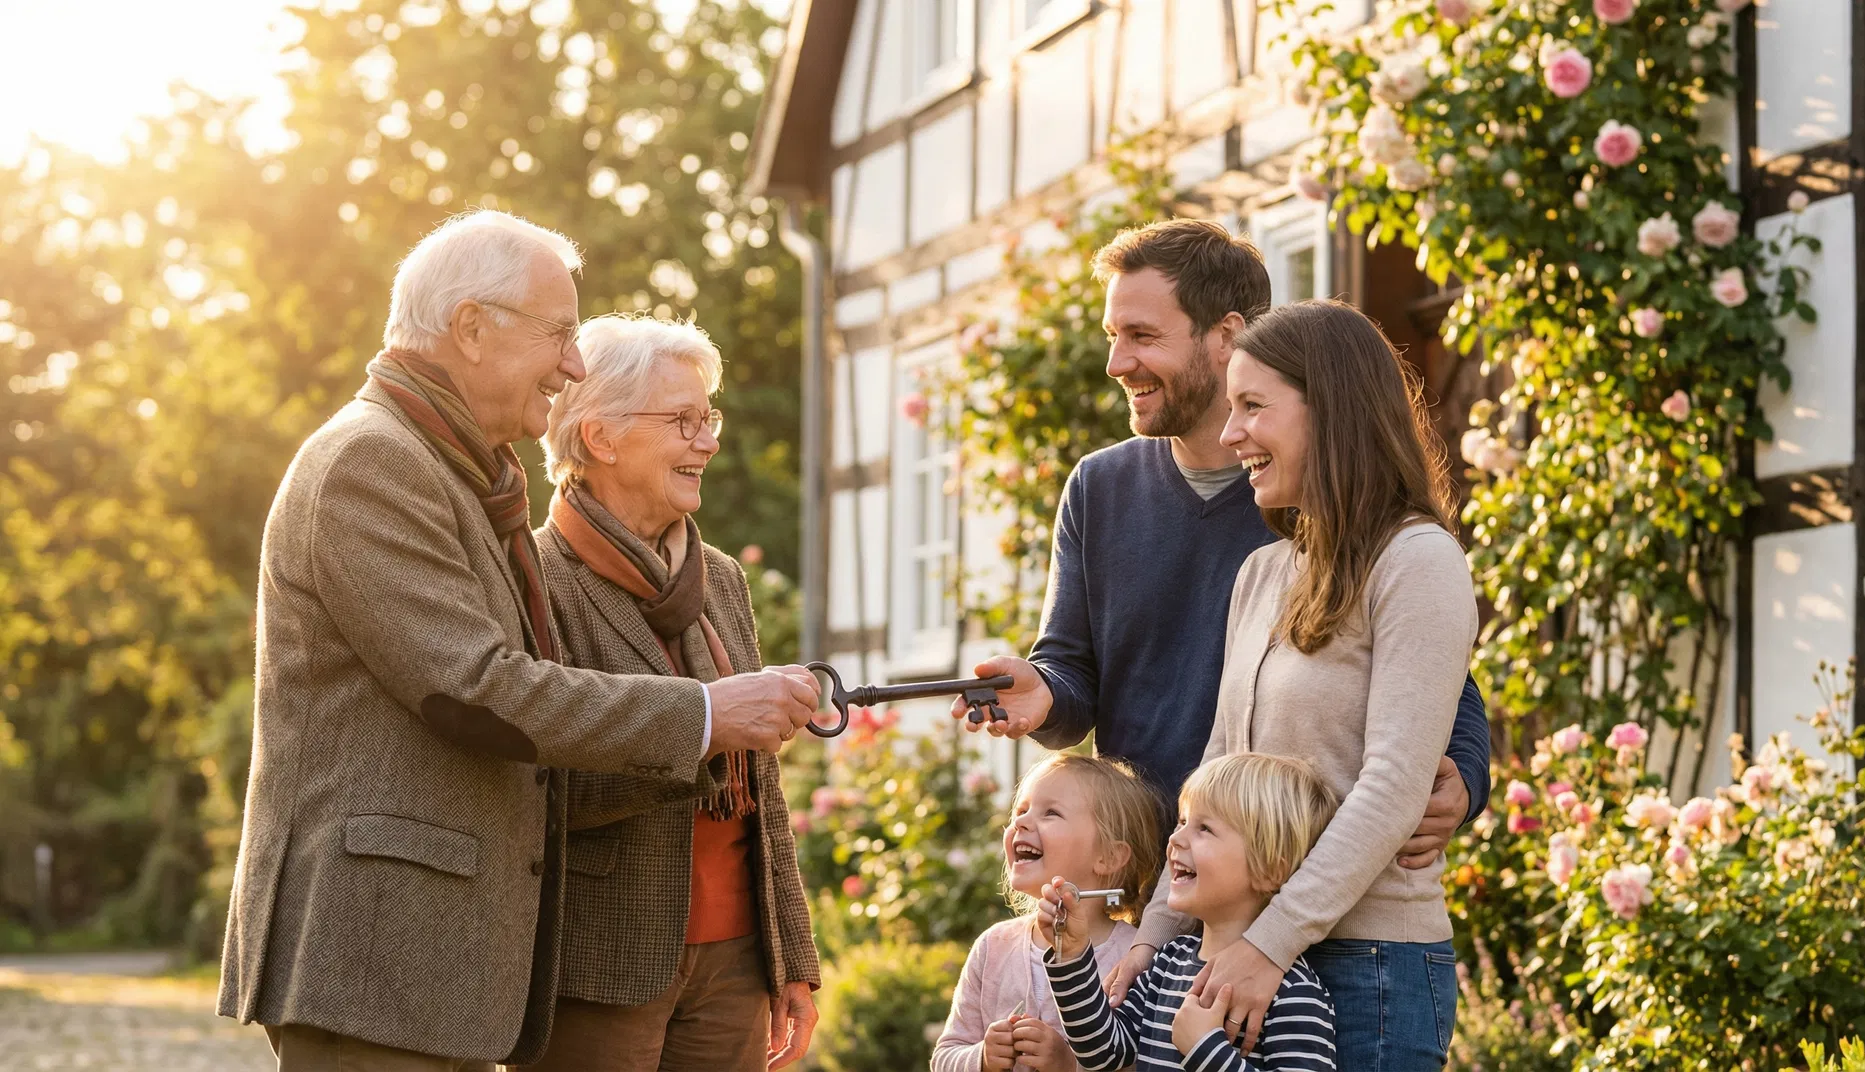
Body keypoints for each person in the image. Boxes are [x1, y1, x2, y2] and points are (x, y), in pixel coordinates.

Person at [217, 210, 819, 1071]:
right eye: (560, 336)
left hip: (436, 962)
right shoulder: (371, 462)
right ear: (472, 328)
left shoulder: (452, 472)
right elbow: (475, 688)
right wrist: (704, 716)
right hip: (382, 954)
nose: (572, 365)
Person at [949, 219, 1490, 987]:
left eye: (1141, 334)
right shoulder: (1104, 490)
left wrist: (1465, 768)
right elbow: (1072, 673)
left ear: (1225, 335)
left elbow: (1424, 675)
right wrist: (1044, 694)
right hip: (1168, 887)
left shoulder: (1306, 498)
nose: (1116, 362)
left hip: (1309, 900)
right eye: (1113, 334)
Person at [1137, 300, 1478, 1068]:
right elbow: (1217, 777)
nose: (1230, 436)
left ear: (1335, 412)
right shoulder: (1261, 574)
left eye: (1254, 406)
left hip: (1369, 965)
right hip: (1248, 951)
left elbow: (1393, 783)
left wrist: (1271, 942)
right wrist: (1155, 934)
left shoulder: (1418, 562)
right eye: (1231, 408)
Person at [515, 315, 819, 1071]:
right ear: (600, 437)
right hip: (597, 961)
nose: (708, 442)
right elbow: (539, 783)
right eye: (683, 421)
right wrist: (707, 727)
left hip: (738, 961)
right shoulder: (531, 579)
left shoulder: (719, 577)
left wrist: (791, 957)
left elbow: (764, 790)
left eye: (707, 418)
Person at [1038, 753, 1340, 1071]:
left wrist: (1205, 1049)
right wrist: (1070, 954)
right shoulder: (1167, 962)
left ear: (1268, 871)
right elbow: (1102, 1053)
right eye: (1182, 822)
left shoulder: (1294, 994)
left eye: (1204, 829)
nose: (1175, 838)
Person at [933, 754, 1165, 1072]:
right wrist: (982, 1058)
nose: (1020, 823)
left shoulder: (1133, 960)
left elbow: (1145, 1065)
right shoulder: (993, 946)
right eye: (1021, 810)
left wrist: (1069, 1065)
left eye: (1051, 813)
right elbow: (945, 1056)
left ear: (1109, 856)